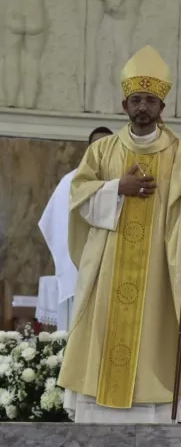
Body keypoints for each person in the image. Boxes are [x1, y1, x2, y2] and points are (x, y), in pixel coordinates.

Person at [56, 45, 181, 423]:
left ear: (162, 108)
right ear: (124, 105)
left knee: (154, 341)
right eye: (136, 100)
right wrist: (117, 188)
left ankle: (151, 409)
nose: (143, 106)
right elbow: (78, 196)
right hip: (109, 267)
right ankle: (96, 413)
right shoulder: (102, 151)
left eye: (150, 100)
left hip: (157, 274)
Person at [37, 127, 113, 331]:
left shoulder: (120, 180)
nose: (101, 150)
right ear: (88, 148)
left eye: (107, 144)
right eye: (96, 145)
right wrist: (67, 258)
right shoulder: (70, 181)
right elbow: (52, 223)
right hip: (77, 268)